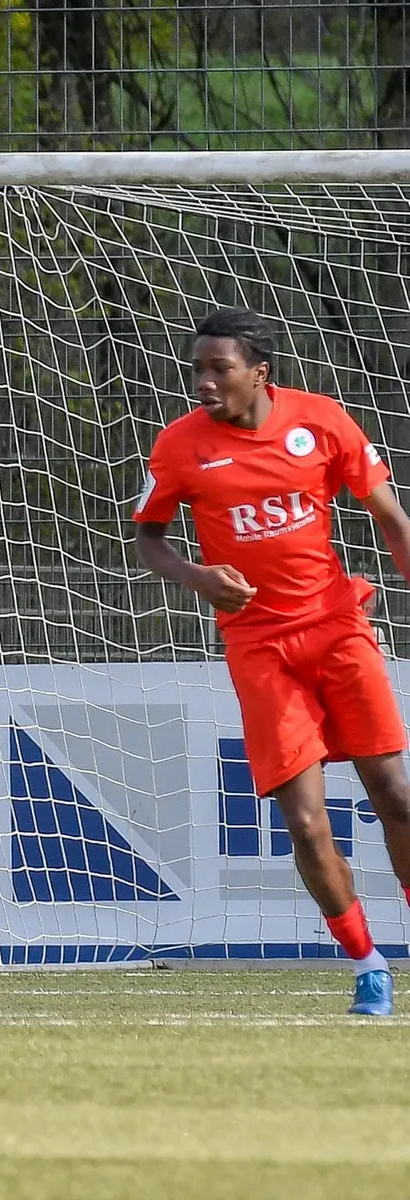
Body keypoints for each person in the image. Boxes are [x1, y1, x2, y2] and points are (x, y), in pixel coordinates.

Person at [135, 307, 410, 1015]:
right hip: (259, 647)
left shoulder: (320, 420)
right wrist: (199, 577)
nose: (203, 381)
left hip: (338, 628)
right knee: (307, 825)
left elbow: (390, 517)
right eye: (197, 369)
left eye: (218, 369)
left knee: (397, 797)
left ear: (259, 373)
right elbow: (149, 539)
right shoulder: (179, 446)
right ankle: (368, 964)